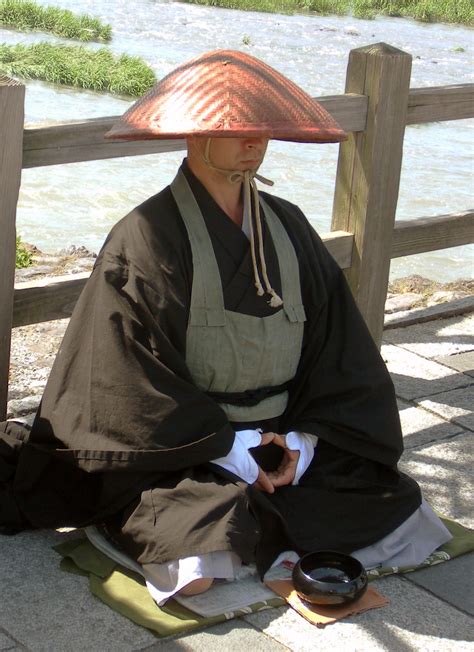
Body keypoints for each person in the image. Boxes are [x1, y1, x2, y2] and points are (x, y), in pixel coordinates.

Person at [0, 50, 451, 603]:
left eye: (262, 128)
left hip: (282, 434)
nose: (254, 140)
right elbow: (125, 378)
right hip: (184, 448)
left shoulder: (288, 224)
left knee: (403, 514)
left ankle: (283, 491)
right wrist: (231, 448)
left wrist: (302, 445)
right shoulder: (145, 235)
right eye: (236, 127)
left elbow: (340, 353)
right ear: (192, 134)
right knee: (198, 556)